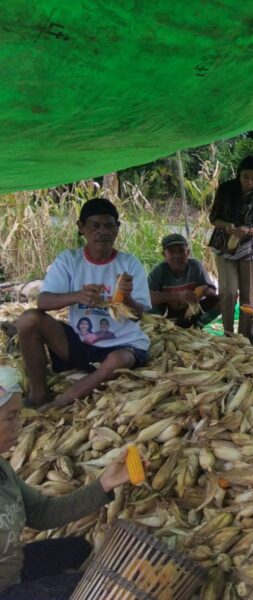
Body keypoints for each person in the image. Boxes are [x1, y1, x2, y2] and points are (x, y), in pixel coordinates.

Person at [0, 366, 132, 598]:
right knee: (93, 589)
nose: (19, 424)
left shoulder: (2, 468)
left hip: (12, 568)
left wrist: (104, 484)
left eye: (19, 415)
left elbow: (42, 512)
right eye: (11, 417)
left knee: (78, 550)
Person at [16, 198, 150, 409]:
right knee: (28, 320)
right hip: (81, 343)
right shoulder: (69, 260)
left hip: (123, 345)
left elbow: (138, 316)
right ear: (81, 227)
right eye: (95, 226)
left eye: (109, 226)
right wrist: (77, 296)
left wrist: (127, 298)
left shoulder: (129, 264)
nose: (103, 232)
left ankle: (60, 403)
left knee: (117, 361)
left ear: (118, 228)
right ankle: (38, 395)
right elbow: (43, 301)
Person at [208, 155, 253, 336]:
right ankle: (228, 334)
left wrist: (249, 231)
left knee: (247, 296)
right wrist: (227, 225)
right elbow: (213, 218)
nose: (249, 182)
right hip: (225, 246)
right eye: (245, 177)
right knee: (228, 292)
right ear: (238, 174)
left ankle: (243, 337)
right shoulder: (226, 189)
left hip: (250, 248)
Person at [148, 233, 219, 328]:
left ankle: (197, 326)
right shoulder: (159, 271)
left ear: (188, 252)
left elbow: (213, 292)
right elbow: (146, 296)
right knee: (146, 307)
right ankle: (162, 326)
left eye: (181, 250)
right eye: (171, 251)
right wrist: (178, 296)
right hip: (169, 314)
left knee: (223, 298)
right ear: (164, 254)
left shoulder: (195, 266)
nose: (177, 255)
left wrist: (205, 290)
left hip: (192, 312)